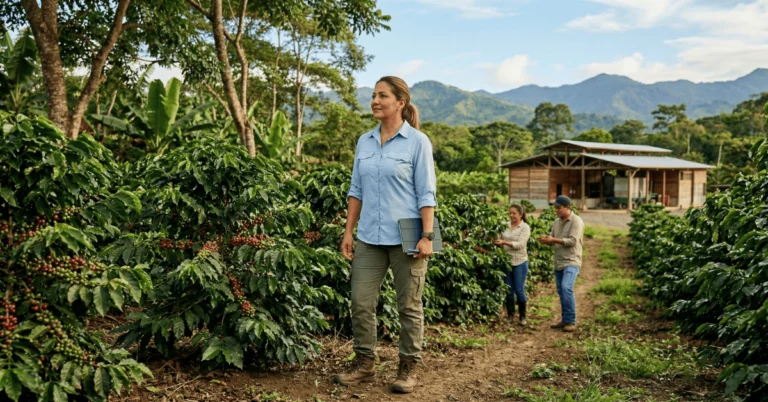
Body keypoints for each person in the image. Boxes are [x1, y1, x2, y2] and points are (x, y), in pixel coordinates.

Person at [335, 76, 437, 394]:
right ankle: (364, 362)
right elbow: (356, 190)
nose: (375, 101)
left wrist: (428, 237)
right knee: (360, 302)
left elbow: (427, 193)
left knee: (409, 304)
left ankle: (409, 366)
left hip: (408, 235)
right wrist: (348, 231)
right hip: (368, 235)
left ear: (400, 103)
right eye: (373, 95)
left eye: (382, 95)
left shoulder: (418, 142)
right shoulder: (364, 141)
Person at [537, 195, 584, 332]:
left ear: (568, 207)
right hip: (558, 261)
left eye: (559, 208)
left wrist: (554, 240)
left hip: (571, 260)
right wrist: (546, 240)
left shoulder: (577, 221)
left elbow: (572, 241)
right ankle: (565, 320)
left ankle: (571, 321)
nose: (556, 210)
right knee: (561, 291)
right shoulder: (556, 222)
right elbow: (554, 239)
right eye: (555, 208)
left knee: (566, 288)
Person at [492, 204, 531, 326]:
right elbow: (498, 238)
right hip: (506, 262)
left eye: (514, 213)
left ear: (520, 214)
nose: (511, 215)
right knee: (508, 290)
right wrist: (495, 239)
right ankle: (510, 315)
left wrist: (504, 242)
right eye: (510, 213)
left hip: (520, 262)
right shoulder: (504, 225)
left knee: (519, 289)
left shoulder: (525, 227)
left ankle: (522, 317)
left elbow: (520, 244)